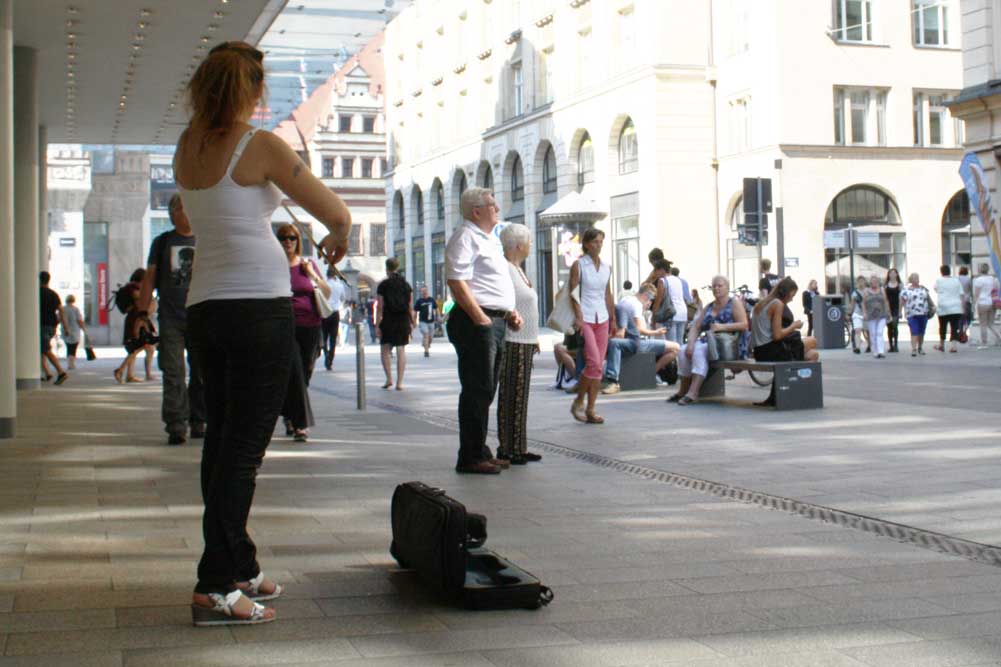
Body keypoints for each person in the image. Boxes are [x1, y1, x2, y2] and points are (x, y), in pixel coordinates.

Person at [176, 41, 351, 626]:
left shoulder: (188, 145)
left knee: (223, 438)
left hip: (206, 309)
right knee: (243, 451)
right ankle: (215, 583)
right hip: (257, 308)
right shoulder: (261, 145)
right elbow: (336, 212)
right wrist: (340, 237)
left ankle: (240, 563)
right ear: (251, 91)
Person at [445, 187, 522, 475]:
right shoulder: (465, 237)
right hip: (475, 322)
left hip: (494, 320)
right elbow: (456, 281)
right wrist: (481, 318)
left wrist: (507, 312)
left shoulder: (489, 239)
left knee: (486, 389)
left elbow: (488, 283)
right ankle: (470, 456)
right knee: (477, 388)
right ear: (476, 211)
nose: (497, 208)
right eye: (491, 205)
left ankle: (479, 449)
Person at [136, 194, 206, 446]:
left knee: (202, 372)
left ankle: (199, 419)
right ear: (174, 212)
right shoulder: (162, 242)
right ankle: (176, 424)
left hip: (202, 316)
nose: (190, 213)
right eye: (185, 208)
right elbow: (150, 279)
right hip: (171, 318)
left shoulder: (206, 239)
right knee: (173, 371)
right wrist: (142, 314)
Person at [277, 223, 329, 442]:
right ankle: (300, 424)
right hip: (284, 326)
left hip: (311, 326)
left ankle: (290, 414)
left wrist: (312, 276)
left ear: (298, 241)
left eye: (292, 238)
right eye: (283, 238)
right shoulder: (274, 265)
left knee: (303, 374)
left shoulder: (307, 265)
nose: (288, 242)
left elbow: (326, 291)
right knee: (295, 371)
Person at [496, 224, 542, 465]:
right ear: (518, 245)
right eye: (529, 241)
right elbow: (504, 301)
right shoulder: (505, 268)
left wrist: (534, 339)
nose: (531, 245)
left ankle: (518, 445)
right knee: (511, 394)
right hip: (513, 340)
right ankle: (508, 448)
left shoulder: (517, 269)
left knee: (520, 395)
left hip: (524, 340)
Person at [671, 274, 748, 405]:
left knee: (699, 351)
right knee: (683, 350)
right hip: (709, 342)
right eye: (714, 286)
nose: (716, 288)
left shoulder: (734, 303)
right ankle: (683, 390)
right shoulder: (709, 306)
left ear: (727, 288)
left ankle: (693, 391)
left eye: (720, 286)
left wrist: (722, 326)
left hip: (728, 344)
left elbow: (744, 324)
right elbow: (696, 326)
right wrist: (690, 343)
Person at [567, 227, 614, 424]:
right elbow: (573, 292)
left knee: (598, 367)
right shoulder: (579, 265)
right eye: (595, 241)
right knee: (594, 362)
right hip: (585, 317)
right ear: (586, 244)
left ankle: (591, 409)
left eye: (601, 241)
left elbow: (608, 294)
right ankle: (578, 400)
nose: (598, 245)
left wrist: (613, 319)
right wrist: (578, 317)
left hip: (602, 317)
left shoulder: (606, 267)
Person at [751, 276, 819, 406]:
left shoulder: (761, 304)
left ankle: (777, 395)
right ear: (786, 293)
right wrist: (794, 326)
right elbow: (777, 335)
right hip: (771, 351)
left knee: (813, 355)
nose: (792, 299)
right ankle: (796, 393)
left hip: (759, 351)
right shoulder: (777, 304)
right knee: (813, 341)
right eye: (792, 295)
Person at [602, 284, 679, 395]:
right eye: (651, 299)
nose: (651, 302)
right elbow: (639, 329)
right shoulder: (637, 304)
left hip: (629, 340)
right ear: (647, 295)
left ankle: (650, 372)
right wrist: (656, 332)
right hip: (637, 342)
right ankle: (651, 373)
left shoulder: (625, 299)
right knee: (676, 347)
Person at [115, 269, 159, 385]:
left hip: (136, 319)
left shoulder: (131, 287)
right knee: (138, 346)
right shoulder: (133, 287)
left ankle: (130, 374)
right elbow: (139, 301)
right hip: (137, 320)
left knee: (144, 347)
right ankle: (121, 370)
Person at [376, 257, 414, 389]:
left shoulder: (383, 285)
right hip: (403, 319)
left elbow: (380, 306)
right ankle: (400, 382)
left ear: (387, 269)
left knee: (385, 349)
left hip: (388, 318)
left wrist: (377, 325)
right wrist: (413, 321)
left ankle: (389, 379)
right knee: (401, 349)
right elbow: (410, 305)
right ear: (398, 268)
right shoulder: (406, 285)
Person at [39, 271, 69, 385]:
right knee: (42, 348)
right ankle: (47, 372)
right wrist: (65, 327)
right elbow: (61, 310)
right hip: (52, 325)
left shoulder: (38, 293)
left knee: (46, 349)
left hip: (43, 325)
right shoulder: (54, 294)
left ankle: (61, 372)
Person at [900, 272, 932, 357]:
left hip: (923, 313)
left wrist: (933, 307)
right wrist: (900, 311)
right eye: (914, 278)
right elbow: (902, 301)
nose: (916, 280)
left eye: (917, 278)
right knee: (914, 331)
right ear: (911, 279)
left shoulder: (923, 288)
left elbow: (928, 299)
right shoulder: (906, 290)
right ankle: (914, 349)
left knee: (921, 332)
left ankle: (920, 347)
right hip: (912, 314)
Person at [934, 265, 964, 353]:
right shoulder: (956, 281)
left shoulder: (939, 281)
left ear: (941, 272)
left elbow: (935, 289)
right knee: (954, 327)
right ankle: (954, 346)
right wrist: (963, 307)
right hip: (956, 307)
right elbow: (961, 294)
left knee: (942, 326)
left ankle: (941, 345)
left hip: (943, 307)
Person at [862, 274, 891, 359]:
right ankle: (875, 351)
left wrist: (888, 311)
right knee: (873, 333)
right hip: (871, 315)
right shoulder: (866, 291)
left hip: (881, 314)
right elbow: (863, 303)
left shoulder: (882, 290)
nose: (874, 283)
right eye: (872, 282)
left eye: (875, 281)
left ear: (878, 282)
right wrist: (864, 313)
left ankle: (881, 351)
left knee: (879, 332)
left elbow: (886, 301)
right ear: (870, 283)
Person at [973, 263, 1001, 348]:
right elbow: (996, 290)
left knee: (983, 324)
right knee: (991, 324)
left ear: (979, 270)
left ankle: (984, 343)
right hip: (992, 302)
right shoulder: (993, 279)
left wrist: (974, 305)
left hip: (982, 303)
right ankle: (999, 337)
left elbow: (976, 294)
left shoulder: (978, 280)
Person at [321, 267, 344, 370]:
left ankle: (326, 356)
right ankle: (331, 358)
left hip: (325, 312)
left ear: (327, 275)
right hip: (335, 312)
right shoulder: (339, 285)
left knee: (324, 337)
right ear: (334, 275)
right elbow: (343, 298)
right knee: (333, 338)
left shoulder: (323, 284)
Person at [413, 285, 438, 358]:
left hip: (431, 321)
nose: (424, 292)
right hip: (423, 321)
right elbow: (415, 311)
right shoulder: (419, 301)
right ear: (421, 292)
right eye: (422, 291)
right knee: (426, 334)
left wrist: (438, 317)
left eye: (425, 291)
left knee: (430, 337)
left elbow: (436, 309)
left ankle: (426, 343)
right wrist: (414, 321)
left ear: (427, 291)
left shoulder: (431, 300)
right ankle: (426, 351)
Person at [61, 294, 84, 370]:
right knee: (73, 347)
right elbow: (79, 320)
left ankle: (69, 363)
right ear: (73, 300)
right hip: (75, 330)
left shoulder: (62, 309)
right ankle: (71, 363)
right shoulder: (76, 309)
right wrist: (83, 329)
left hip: (65, 330)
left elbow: (58, 319)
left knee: (68, 346)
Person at [884, 269, 902, 353]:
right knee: (889, 327)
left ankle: (896, 345)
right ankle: (891, 345)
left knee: (895, 325)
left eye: (894, 273)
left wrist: (900, 310)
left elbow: (902, 298)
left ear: (897, 275)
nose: (892, 275)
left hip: (896, 307)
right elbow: (884, 297)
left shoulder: (900, 285)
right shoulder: (886, 285)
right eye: (891, 273)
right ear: (888, 275)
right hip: (888, 308)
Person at [849, 275, 868, 354]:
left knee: (867, 332)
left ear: (865, 282)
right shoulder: (854, 293)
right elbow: (852, 304)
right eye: (859, 282)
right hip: (857, 313)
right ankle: (857, 347)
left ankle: (869, 345)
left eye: (862, 281)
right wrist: (849, 313)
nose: (861, 283)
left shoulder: (868, 291)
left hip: (867, 313)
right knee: (858, 330)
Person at [958, 266, 973, 337]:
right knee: (969, 317)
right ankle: (965, 330)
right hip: (967, 300)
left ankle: (960, 331)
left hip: (958, 301)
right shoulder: (969, 279)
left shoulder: (956, 279)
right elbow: (971, 289)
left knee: (960, 317)